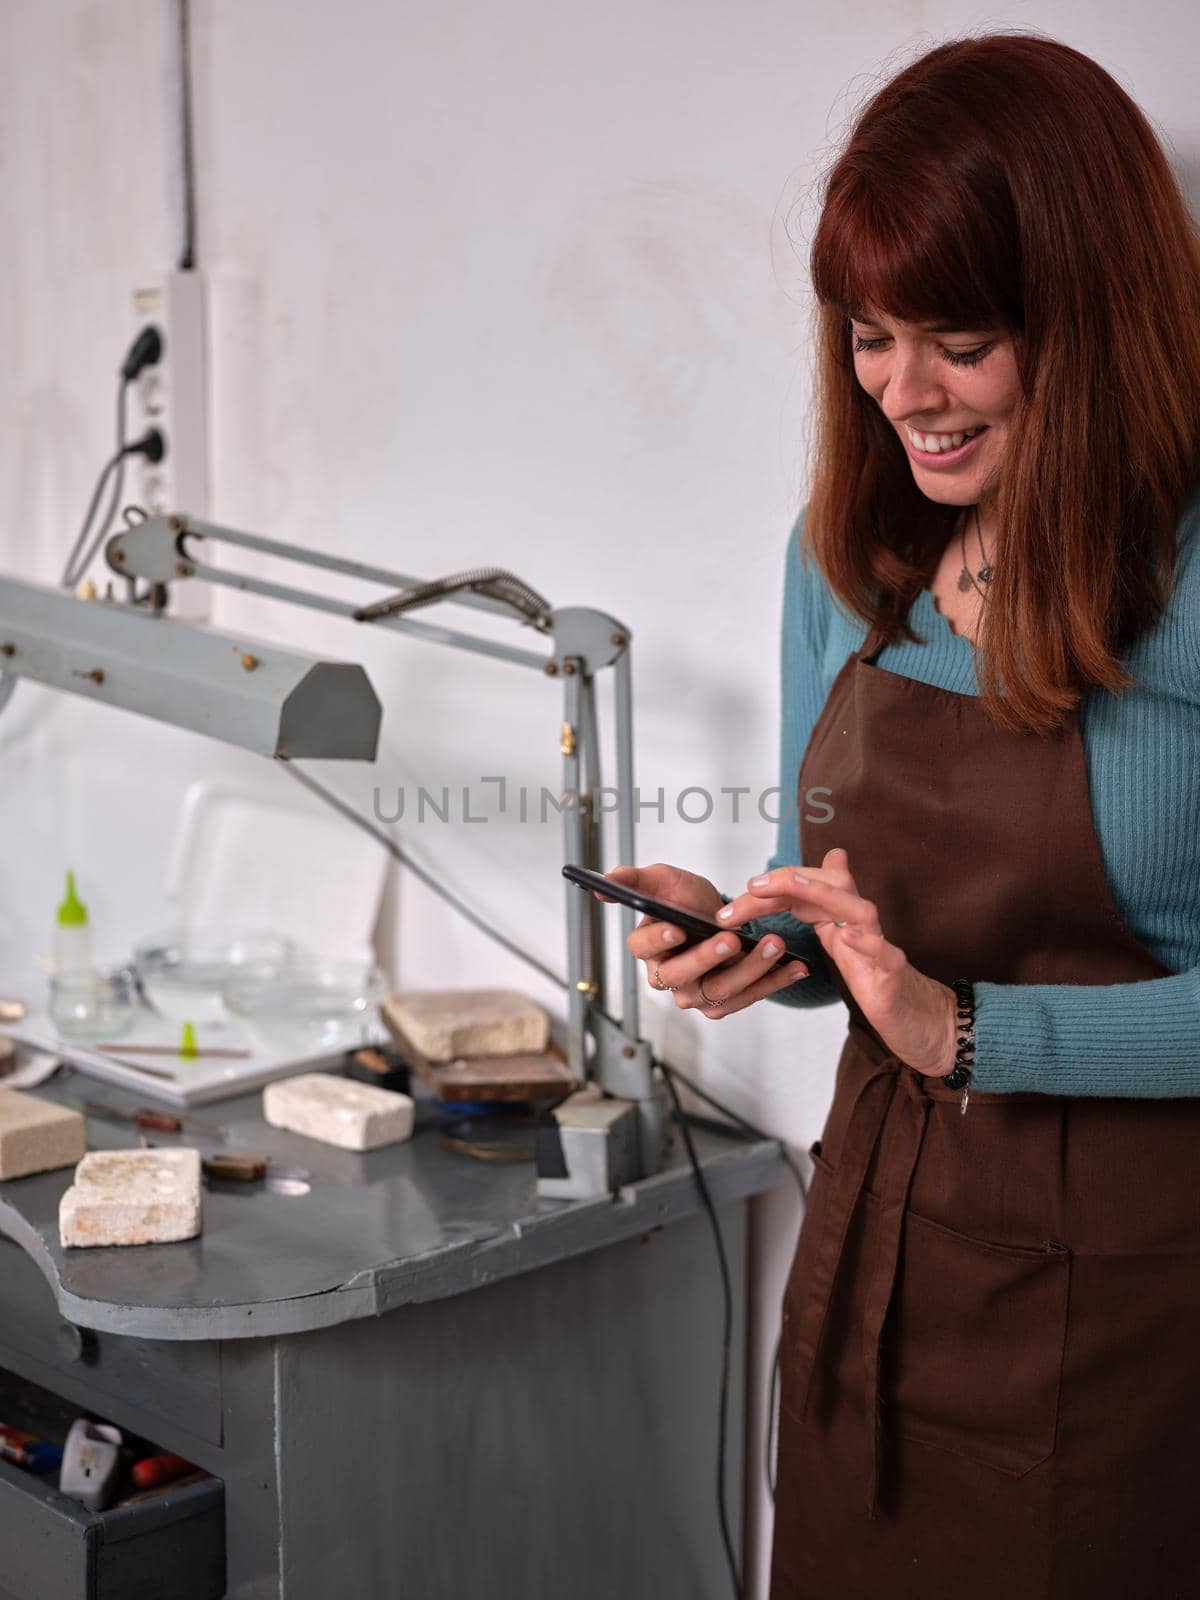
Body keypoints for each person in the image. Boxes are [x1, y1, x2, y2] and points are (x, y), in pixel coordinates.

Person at [596, 31, 1200, 1598]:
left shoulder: (1191, 584)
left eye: (960, 339)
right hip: (880, 1256)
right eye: (870, 337)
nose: (904, 395)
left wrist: (977, 1036)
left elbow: (953, 1013)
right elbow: (875, 932)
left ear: (1088, 313)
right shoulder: (847, 555)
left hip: (1150, 1291)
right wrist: (775, 945)